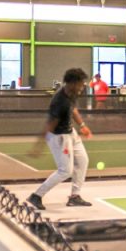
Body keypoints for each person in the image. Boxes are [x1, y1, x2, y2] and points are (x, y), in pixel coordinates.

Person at [27, 68, 93, 210]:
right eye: (81, 84)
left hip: (71, 132)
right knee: (65, 171)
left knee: (82, 161)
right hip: (59, 137)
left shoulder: (72, 94)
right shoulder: (59, 101)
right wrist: (38, 146)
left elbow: (73, 109)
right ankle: (36, 196)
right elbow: (50, 125)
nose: (82, 87)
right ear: (73, 83)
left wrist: (82, 125)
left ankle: (75, 197)